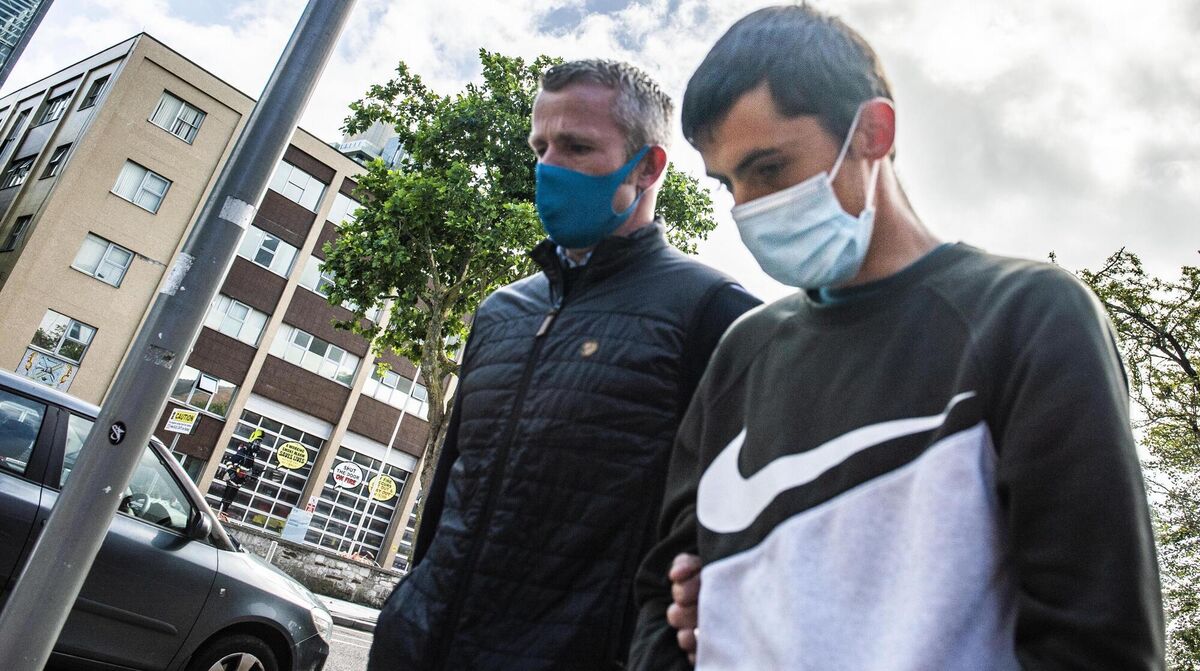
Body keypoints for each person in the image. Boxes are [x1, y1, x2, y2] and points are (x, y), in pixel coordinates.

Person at [629, 6, 1165, 670]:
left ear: (873, 132)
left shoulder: (1027, 317)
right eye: (729, 183)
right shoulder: (741, 355)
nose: (748, 208)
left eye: (769, 169)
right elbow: (663, 598)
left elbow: (1098, 640)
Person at [367, 59, 760, 670]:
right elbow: (448, 500)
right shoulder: (501, 312)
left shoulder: (714, 314)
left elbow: (729, 547)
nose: (548, 167)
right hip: (419, 649)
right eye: (540, 146)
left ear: (649, 166)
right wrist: (406, 613)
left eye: (576, 146)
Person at [216, 429, 264, 521]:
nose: (258, 445)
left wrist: (254, 474)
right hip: (233, 479)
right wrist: (231, 473)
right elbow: (230, 461)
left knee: (230, 500)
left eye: (259, 443)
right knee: (226, 498)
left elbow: (248, 470)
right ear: (252, 441)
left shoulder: (251, 456)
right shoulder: (243, 451)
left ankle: (223, 515)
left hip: (239, 481)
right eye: (257, 442)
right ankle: (220, 514)